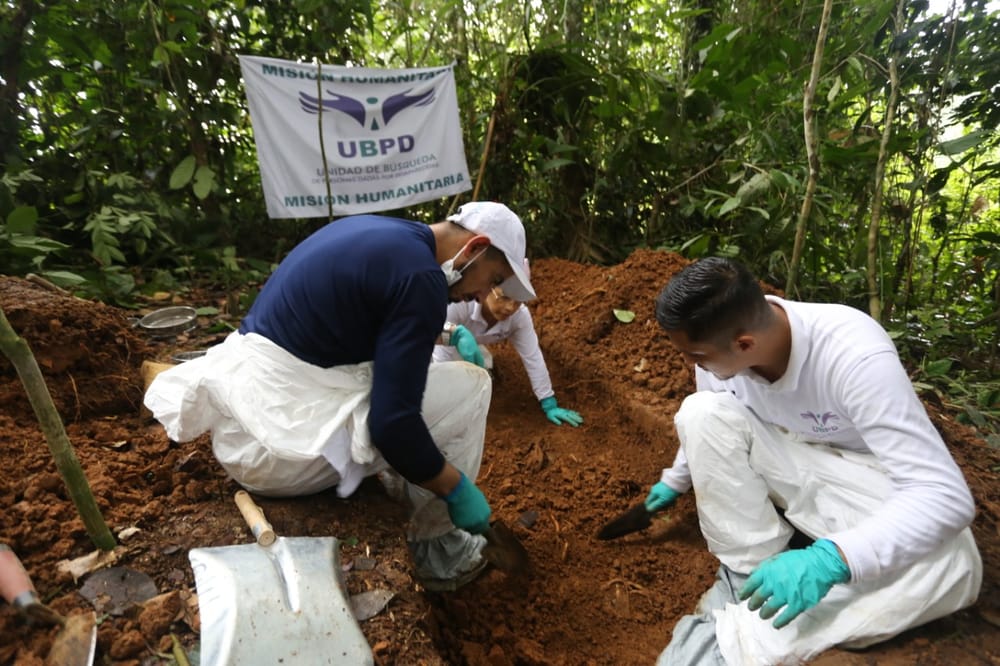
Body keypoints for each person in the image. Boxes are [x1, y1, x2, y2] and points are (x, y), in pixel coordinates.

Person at [144, 201, 536, 592]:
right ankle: (438, 549)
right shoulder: (422, 280)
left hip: (246, 427)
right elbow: (393, 425)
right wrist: (456, 488)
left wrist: (447, 333)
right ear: (475, 248)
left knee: (409, 378)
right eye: (493, 277)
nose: (481, 294)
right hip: (280, 455)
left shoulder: (383, 236)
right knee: (471, 386)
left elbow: (370, 322)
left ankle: (408, 484)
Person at [645, 257, 981, 664]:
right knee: (701, 411)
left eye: (696, 357)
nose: (691, 365)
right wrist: (675, 480)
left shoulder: (853, 354)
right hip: (789, 460)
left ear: (745, 344)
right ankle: (749, 574)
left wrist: (832, 559)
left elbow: (944, 495)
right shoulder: (722, 355)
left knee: (954, 562)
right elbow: (714, 422)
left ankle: (740, 640)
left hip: (861, 479)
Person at [433, 260, 583, 427]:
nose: (510, 308)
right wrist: (444, 402)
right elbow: (440, 350)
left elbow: (532, 356)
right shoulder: (460, 304)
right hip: (439, 342)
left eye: (518, 301)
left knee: (482, 366)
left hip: (472, 342)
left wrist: (548, 401)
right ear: (486, 288)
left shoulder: (519, 318)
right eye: (504, 297)